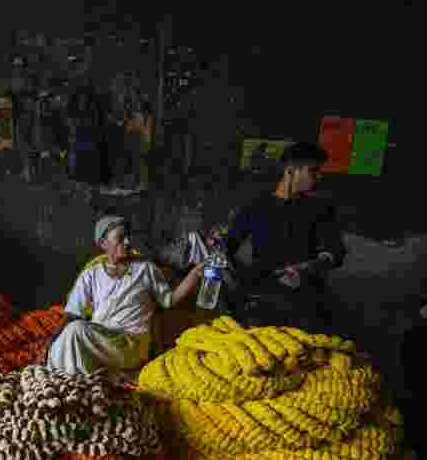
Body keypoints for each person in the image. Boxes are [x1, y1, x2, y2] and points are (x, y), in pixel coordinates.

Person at [42, 216, 205, 375]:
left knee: (76, 331)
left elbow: (169, 301)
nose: (127, 242)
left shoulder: (145, 269)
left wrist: (195, 274)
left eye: (128, 237)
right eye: (120, 238)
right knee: (66, 338)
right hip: (101, 342)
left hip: (131, 344)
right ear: (103, 244)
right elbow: (72, 313)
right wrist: (53, 340)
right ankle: (65, 384)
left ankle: (72, 382)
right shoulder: (91, 274)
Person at [224, 142, 346, 334]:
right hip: (261, 304)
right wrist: (244, 276)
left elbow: (335, 250)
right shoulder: (255, 207)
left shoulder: (321, 209)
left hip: (308, 304)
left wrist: (310, 266)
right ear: (291, 171)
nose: (318, 176)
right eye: (313, 171)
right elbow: (228, 246)